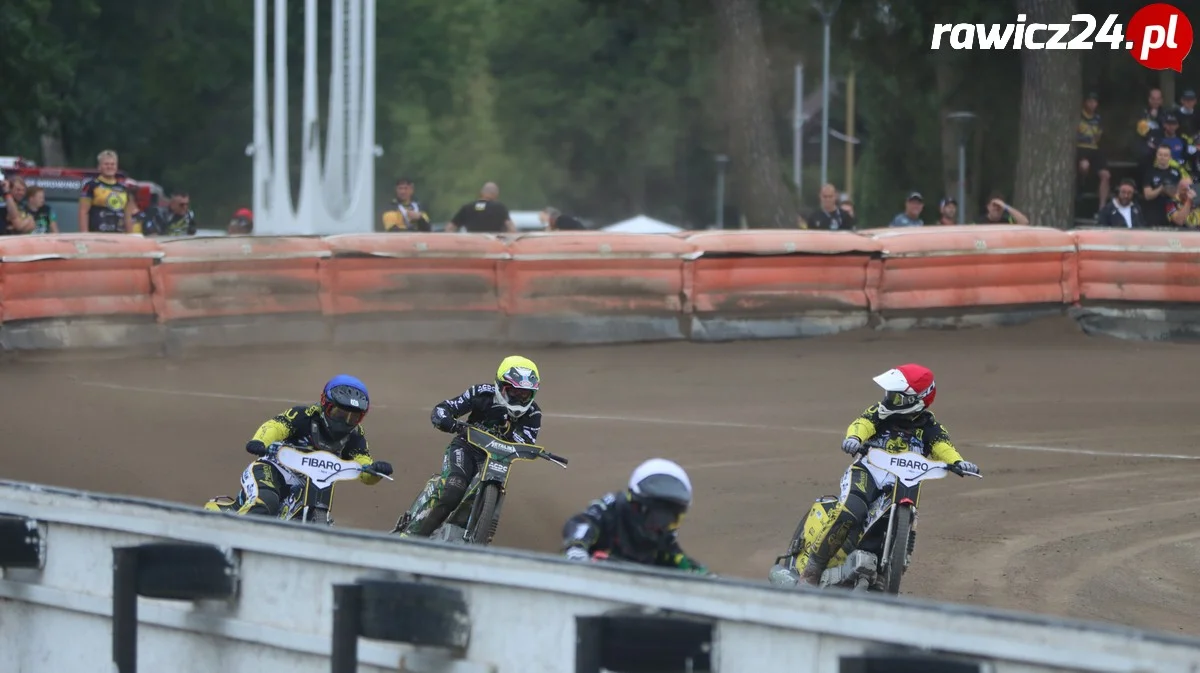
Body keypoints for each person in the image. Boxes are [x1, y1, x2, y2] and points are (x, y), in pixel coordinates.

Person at [796, 364, 980, 586]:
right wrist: (854, 437)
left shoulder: (931, 427)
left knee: (889, 521)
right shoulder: (879, 413)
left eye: (897, 397)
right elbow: (862, 423)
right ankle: (814, 567)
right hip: (868, 471)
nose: (889, 399)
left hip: (902, 481)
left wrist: (958, 462)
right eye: (890, 394)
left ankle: (883, 570)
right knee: (853, 510)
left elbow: (943, 447)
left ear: (917, 400)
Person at [397, 355, 542, 536]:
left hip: (498, 460)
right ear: (500, 385)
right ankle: (415, 535)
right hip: (466, 448)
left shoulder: (534, 413)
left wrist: (507, 430)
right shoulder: (481, 393)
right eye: (514, 392)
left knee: (489, 500)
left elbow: (527, 442)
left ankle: (479, 533)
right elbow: (443, 409)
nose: (520, 398)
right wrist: (450, 423)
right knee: (454, 490)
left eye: (525, 394)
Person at [228, 375, 393, 516]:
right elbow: (277, 426)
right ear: (324, 403)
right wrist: (260, 441)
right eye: (339, 413)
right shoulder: (304, 415)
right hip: (272, 469)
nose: (344, 422)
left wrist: (375, 470)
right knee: (265, 503)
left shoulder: (356, 435)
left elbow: (362, 462)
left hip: (309, 486)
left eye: (352, 417)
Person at [561, 458, 708, 574]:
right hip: (584, 582)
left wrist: (706, 579)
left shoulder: (663, 541)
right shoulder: (610, 510)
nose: (660, 526)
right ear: (636, 506)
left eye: (671, 520)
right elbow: (583, 522)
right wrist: (577, 548)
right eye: (655, 518)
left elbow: (682, 563)